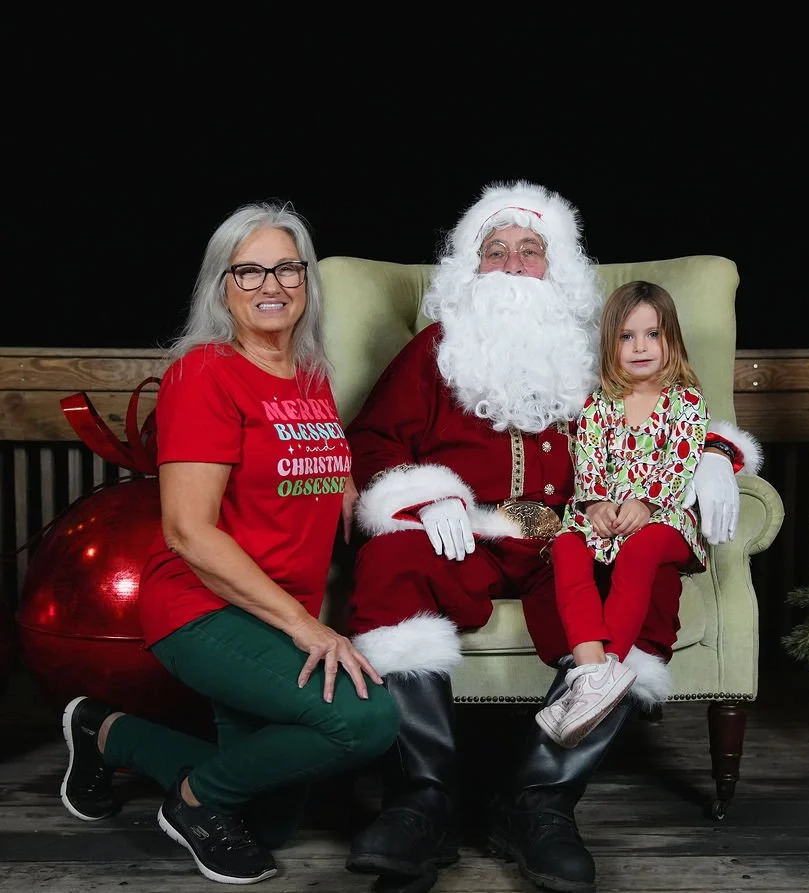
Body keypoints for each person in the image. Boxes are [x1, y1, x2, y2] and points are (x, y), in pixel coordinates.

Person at [342, 181, 761, 893]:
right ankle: (424, 800)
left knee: (644, 582)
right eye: (495, 251)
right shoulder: (434, 350)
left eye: (528, 251)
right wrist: (426, 491)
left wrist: (718, 458)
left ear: (555, 266)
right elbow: (373, 439)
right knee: (390, 558)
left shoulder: (596, 349)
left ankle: (539, 801)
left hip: (573, 531)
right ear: (472, 269)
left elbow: (669, 408)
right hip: (464, 530)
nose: (510, 265)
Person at [58, 201, 399, 886]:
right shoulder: (205, 373)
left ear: (307, 280)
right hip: (204, 609)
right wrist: (306, 625)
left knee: (270, 823)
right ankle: (192, 802)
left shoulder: (310, 375)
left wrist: (359, 492)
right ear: (221, 286)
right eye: (248, 271)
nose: (270, 285)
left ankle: (103, 730)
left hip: (275, 611)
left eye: (286, 268)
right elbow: (188, 530)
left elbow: (312, 469)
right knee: (366, 720)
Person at [537, 281, 710, 750]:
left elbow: (679, 464)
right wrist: (595, 505)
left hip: (664, 519)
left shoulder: (686, 402)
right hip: (605, 516)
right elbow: (587, 465)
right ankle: (592, 671)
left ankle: (610, 664)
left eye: (651, 334)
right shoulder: (598, 405)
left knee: (642, 547)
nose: (639, 347)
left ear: (671, 339)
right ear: (609, 344)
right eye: (626, 337)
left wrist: (645, 503)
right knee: (566, 545)